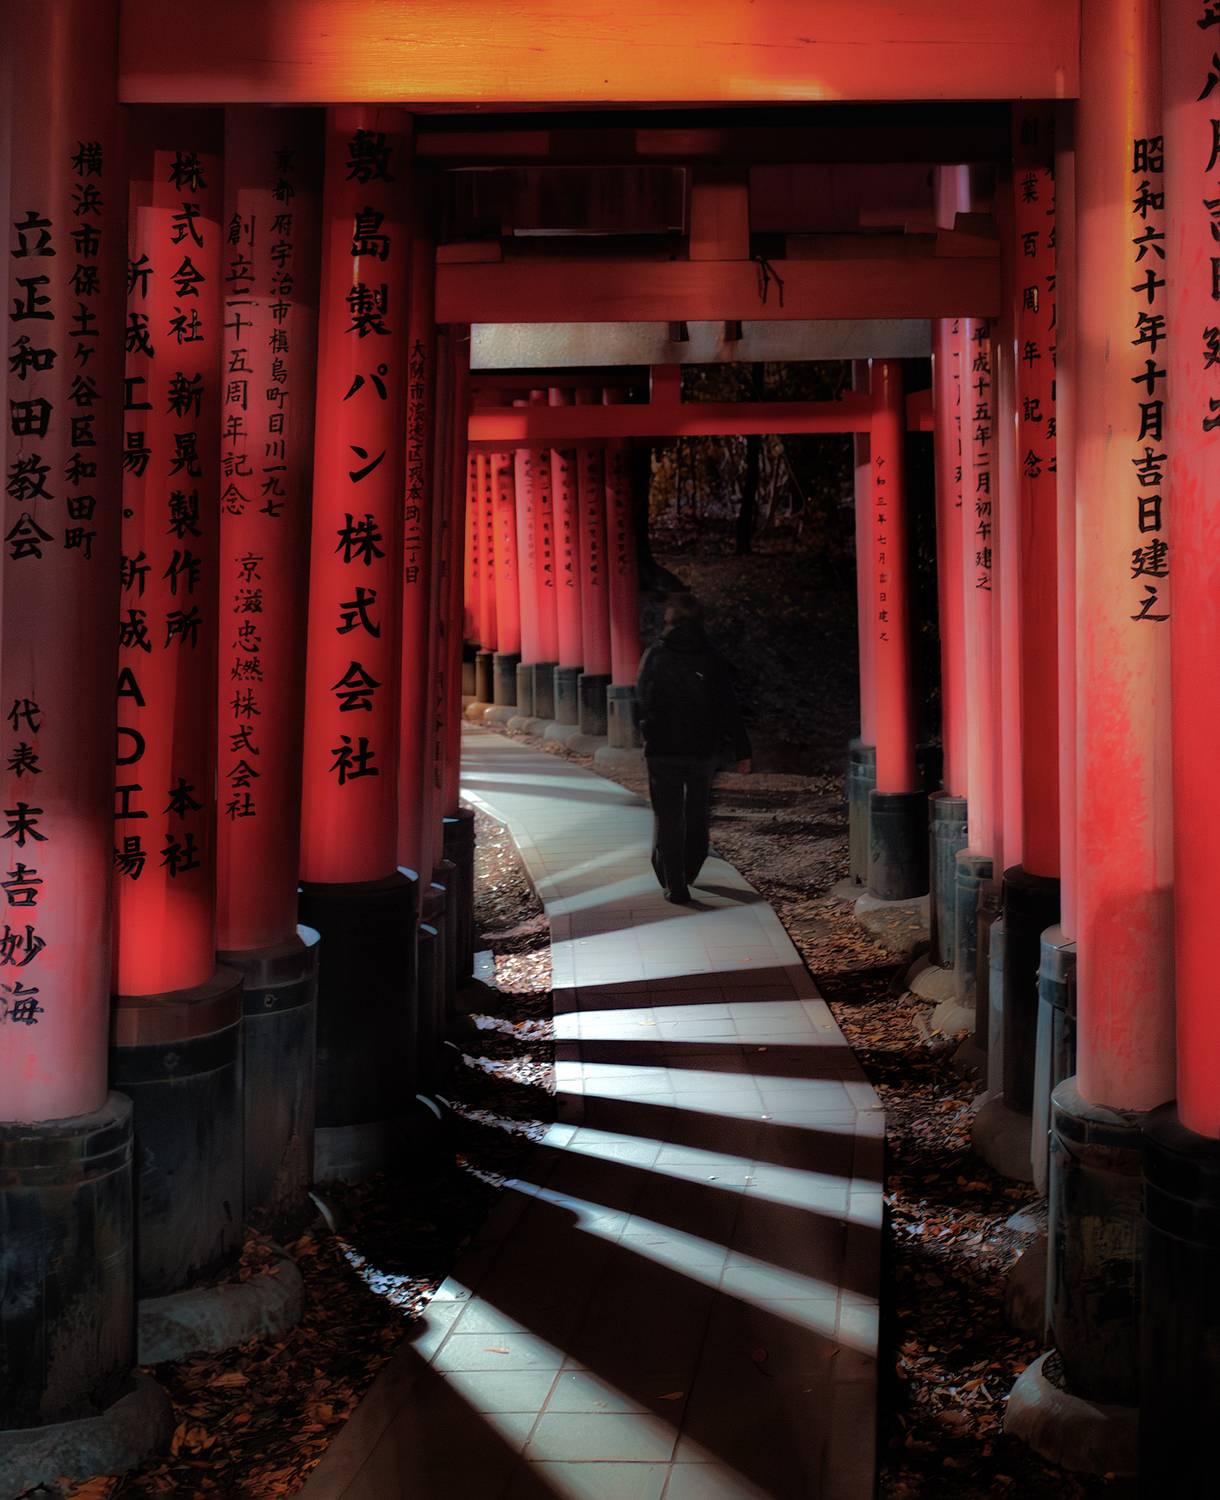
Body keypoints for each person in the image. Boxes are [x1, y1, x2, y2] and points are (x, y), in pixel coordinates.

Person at [635, 594, 752, 903]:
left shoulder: (656, 655)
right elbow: (728, 705)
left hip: (663, 749)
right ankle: (689, 868)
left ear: (669, 620)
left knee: (668, 815)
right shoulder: (711, 657)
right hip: (703, 749)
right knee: (697, 811)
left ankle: (675, 883)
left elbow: (641, 700)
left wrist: (646, 732)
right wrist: (742, 749)